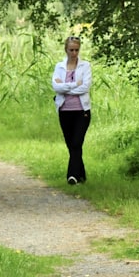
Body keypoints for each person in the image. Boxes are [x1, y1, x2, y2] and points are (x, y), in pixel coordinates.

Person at [51, 35, 92, 185]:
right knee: (71, 145)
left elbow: (85, 87)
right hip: (65, 110)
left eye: (76, 50)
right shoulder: (59, 67)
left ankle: (72, 176)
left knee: (76, 142)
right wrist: (74, 85)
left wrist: (65, 87)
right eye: (71, 50)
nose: (74, 53)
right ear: (66, 50)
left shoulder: (85, 66)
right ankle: (81, 175)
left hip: (82, 111)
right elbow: (56, 87)